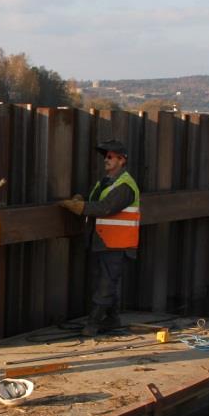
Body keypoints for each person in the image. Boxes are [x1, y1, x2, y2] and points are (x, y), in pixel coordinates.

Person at [59, 139, 140, 337]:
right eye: (106, 156)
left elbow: (106, 207)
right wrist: (82, 200)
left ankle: (93, 324)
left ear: (122, 160)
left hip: (117, 243)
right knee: (106, 282)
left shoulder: (125, 186)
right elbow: (96, 201)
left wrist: (81, 208)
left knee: (105, 284)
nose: (106, 159)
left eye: (110, 156)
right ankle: (112, 319)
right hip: (103, 241)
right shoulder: (105, 182)